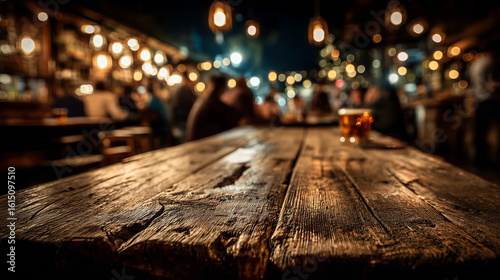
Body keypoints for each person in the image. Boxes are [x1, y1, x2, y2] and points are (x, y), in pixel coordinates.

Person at [470, 38, 500, 167]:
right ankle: (488, 161)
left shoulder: (476, 63)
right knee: (489, 132)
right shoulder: (490, 62)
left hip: (480, 100)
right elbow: (492, 84)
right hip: (490, 101)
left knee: (480, 132)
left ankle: (479, 161)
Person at [185, 75, 241, 141]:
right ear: (221, 88)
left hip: (194, 140)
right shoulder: (213, 102)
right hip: (199, 142)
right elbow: (233, 117)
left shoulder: (205, 99)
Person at [170, 73, 197, 142]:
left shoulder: (181, 90)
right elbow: (189, 107)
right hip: (183, 120)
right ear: (187, 81)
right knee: (185, 140)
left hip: (179, 120)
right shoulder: (185, 91)